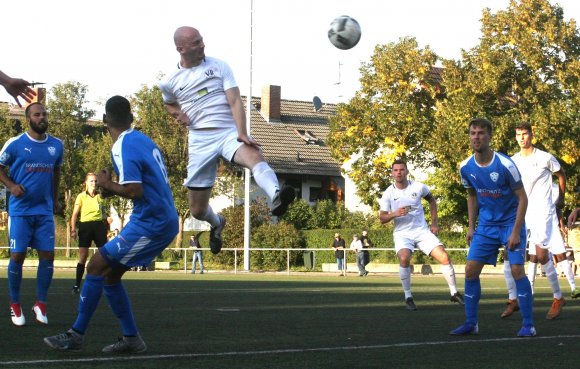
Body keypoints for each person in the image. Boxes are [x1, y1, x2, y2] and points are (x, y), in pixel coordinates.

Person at [43, 95, 179, 353]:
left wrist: (107, 185)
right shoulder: (143, 140)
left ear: (105, 120)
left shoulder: (122, 145)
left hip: (152, 223)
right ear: (131, 119)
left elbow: (134, 191)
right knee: (110, 277)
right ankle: (131, 340)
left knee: (95, 266)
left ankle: (76, 334)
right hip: (155, 218)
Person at [159, 26, 295, 255]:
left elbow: (234, 101)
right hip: (200, 141)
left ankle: (276, 195)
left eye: (202, 40)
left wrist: (242, 132)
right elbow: (168, 102)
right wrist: (177, 114)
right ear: (181, 49)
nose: (203, 45)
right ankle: (217, 223)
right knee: (197, 210)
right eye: (196, 43)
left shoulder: (219, 66)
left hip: (227, 133)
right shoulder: (169, 81)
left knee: (254, 156)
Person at [451, 118, 535, 337]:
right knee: (470, 270)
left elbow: (523, 198)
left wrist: (516, 231)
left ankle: (528, 325)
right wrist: (471, 227)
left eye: (480, 133)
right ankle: (471, 323)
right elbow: (471, 196)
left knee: (517, 270)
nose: (476, 137)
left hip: (510, 223)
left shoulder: (505, 164)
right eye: (472, 133)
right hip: (486, 225)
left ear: (489, 136)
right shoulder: (465, 167)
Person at [500, 123, 574, 321]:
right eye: (518, 135)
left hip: (543, 212)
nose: (522, 138)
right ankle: (512, 299)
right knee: (509, 250)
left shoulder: (545, 157)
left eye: (525, 134)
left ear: (532, 135)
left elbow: (561, 175)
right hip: (521, 212)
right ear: (515, 137)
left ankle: (558, 297)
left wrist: (561, 199)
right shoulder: (512, 161)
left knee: (541, 255)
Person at [0, 102, 63, 326]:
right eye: (37, 114)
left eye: (44, 113)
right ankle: (15, 305)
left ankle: (41, 303)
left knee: (48, 256)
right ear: (29, 119)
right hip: (20, 211)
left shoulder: (57, 145)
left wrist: (55, 199)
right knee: (18, 256)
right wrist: (11, 186)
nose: (42, 117)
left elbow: (56, 171)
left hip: (44, 211)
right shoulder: (16, 144)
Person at [379, 159, 463, 311]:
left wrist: (434, 223)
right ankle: (408, 297)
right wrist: (394, 213)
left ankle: (454, 292)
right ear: (392, 173)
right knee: (404, 258)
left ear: (407, 171)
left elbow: (432, 200)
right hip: (402, 234)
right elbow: (382, 218)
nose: (399, 172)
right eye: (396, 170)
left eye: (401, 169)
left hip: (422, 231)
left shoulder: (418, 187)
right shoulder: (388, 194)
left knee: (444, 257)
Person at [70, 173, 108, 294]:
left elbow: (104, 212)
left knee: (105, 254)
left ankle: (105, 283)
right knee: (83, 256)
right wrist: (73, 229)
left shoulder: (100, 197)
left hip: (98, 226)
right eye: (91, 181)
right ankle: (77, 285)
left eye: (95, 181)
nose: (94, 183)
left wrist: (107, 218)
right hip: (85, 226)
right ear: (86, 183)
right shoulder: (81, 196)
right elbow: (75, 214)